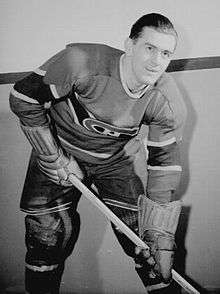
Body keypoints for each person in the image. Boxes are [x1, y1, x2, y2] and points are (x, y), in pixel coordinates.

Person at [9, 13, 187, 294]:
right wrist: (53, 157)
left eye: (166, 53)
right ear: (129, 46)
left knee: (147, 247)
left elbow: (164, 164)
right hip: (61, 148)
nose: (156, 61)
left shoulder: (166, 100)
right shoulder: (81, 62)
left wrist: (159, 233)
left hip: (117, 162)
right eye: (149, 48)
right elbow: (23, 98)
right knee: (46, 238)